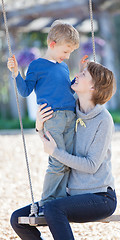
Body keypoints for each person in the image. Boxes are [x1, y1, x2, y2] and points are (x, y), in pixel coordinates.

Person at [10, 61, 117, 240]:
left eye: (83, 74)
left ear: (93, 86)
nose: (77, 75)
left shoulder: (103, 119)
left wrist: (56, 153)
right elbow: (52, 144)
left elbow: (91, 165)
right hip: (71, 196)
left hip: (101, 197)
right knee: (17, 219)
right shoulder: (70, 111)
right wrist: (39, 127)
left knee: (53, 208)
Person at [7, 20, 80, 215]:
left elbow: (67, 89)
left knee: (69, 160)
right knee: (57, 161)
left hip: (70, 116)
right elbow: (25, 91)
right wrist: (16, 74)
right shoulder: (37, 65)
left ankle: (61, 202)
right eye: (66, 51)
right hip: (52, 118)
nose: (68, 56)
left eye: (70, 52)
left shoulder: (63, 67)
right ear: (52, 44)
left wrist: (81, 75)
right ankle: (47, 204)